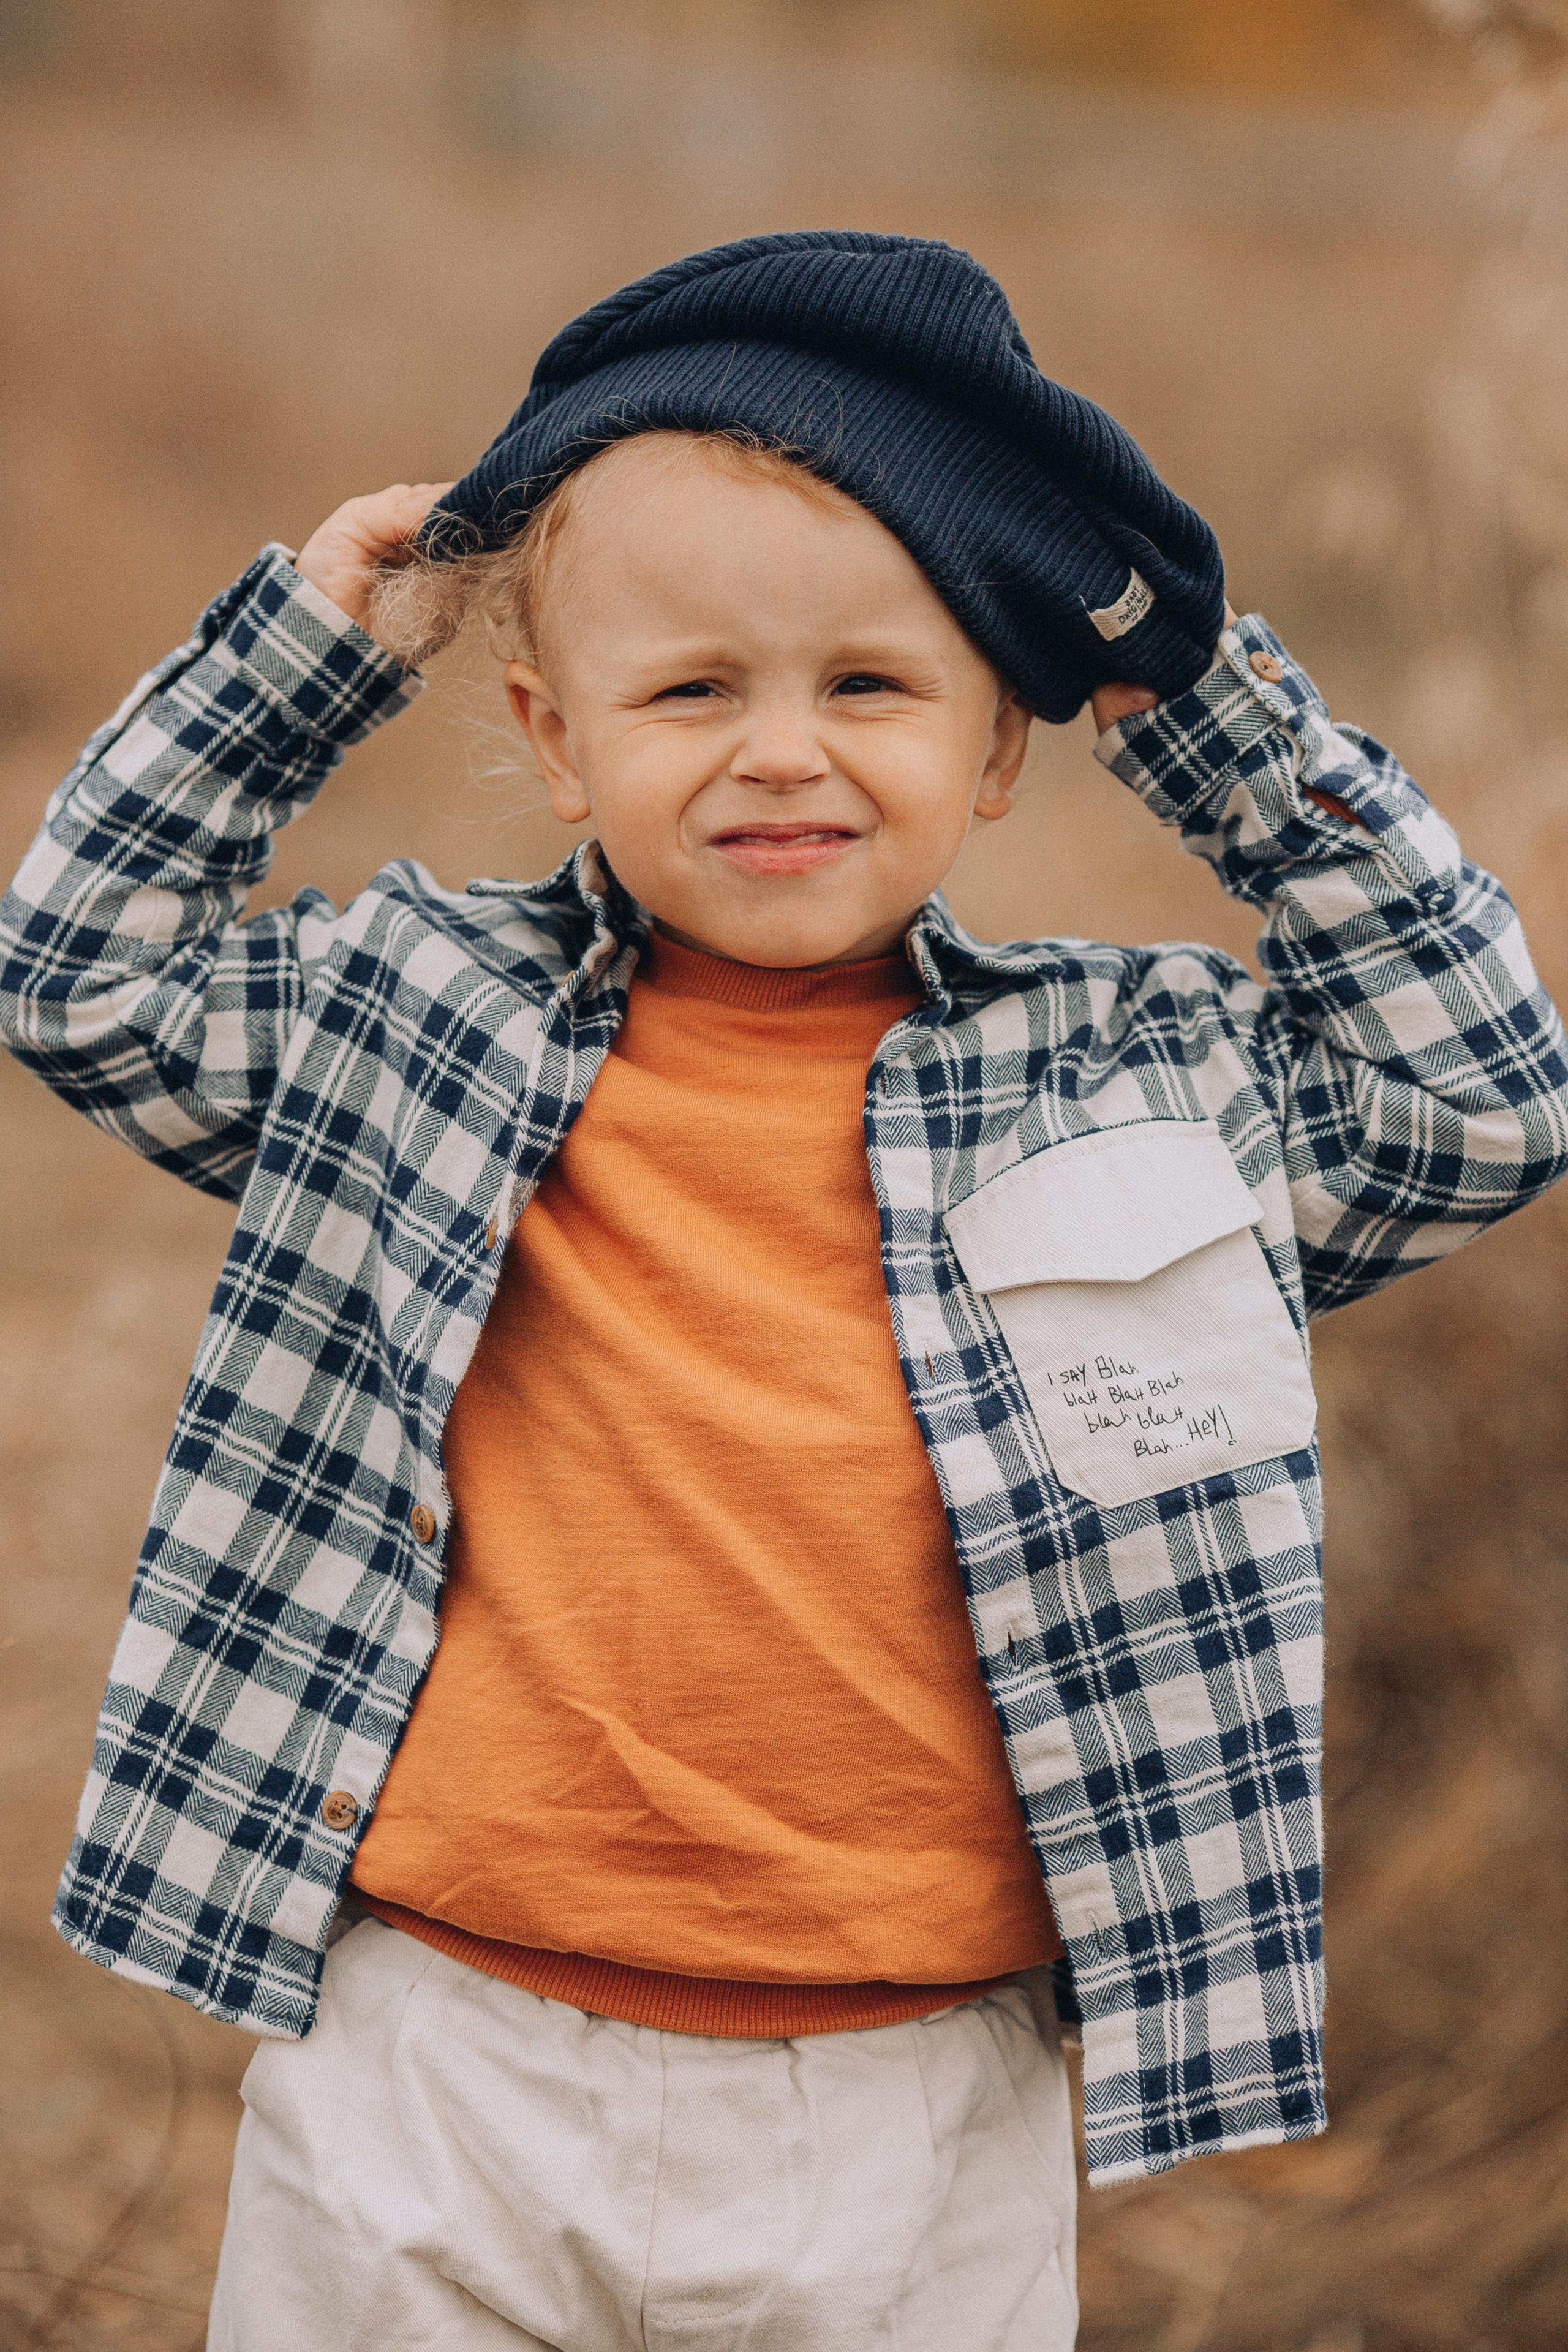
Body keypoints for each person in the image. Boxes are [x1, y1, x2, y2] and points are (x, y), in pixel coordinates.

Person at [3, 232, 1565, 2352]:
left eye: (868, 686)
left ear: (1003, 746)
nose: (779, 754)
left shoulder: (1129, 1079)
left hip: (916, 2103)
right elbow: (76, 971)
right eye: (689, 691)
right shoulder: (415, 1016)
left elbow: (1480, 1100)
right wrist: (298, 663)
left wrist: (1213, 723)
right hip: (444, 2053)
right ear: (559, 742)